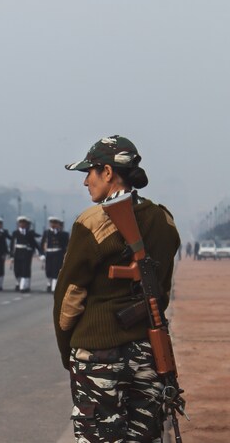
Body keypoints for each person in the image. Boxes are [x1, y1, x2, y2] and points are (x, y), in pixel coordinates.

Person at [53, 135, 180, 443]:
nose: (85, 182)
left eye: (90, 172)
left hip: (97, 352)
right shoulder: (165, 221)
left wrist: (68, 348)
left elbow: (68, 299)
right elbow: (161, 290)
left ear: (108, 173)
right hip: (147, 350)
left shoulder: (93, 222)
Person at [10, 216, 40, 293]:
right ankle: (19, 283)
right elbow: (12, 245)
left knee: (25, 269)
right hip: (17, 253)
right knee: (17, 270)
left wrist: (40, 252)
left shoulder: (29, 233)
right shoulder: (15, 233)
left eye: (24, 223)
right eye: (21, 222)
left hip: (26, 253)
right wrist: (11, 256)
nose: (22, 224)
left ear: (26, 224)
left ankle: (23, 287)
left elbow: (34, 244)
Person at [41, 216, 69, 292]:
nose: (53, 224)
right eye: (52, 223)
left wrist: (65, 254)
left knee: (56, 270)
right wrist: (42, 254)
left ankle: (54, 287)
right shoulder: (46, 233)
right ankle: (49, 284)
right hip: (49, 253)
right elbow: (42, 243)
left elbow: (65, 245)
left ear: (58, 224)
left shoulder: (62, 234)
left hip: (58, 253)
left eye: (55, 223)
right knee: (48, 270)